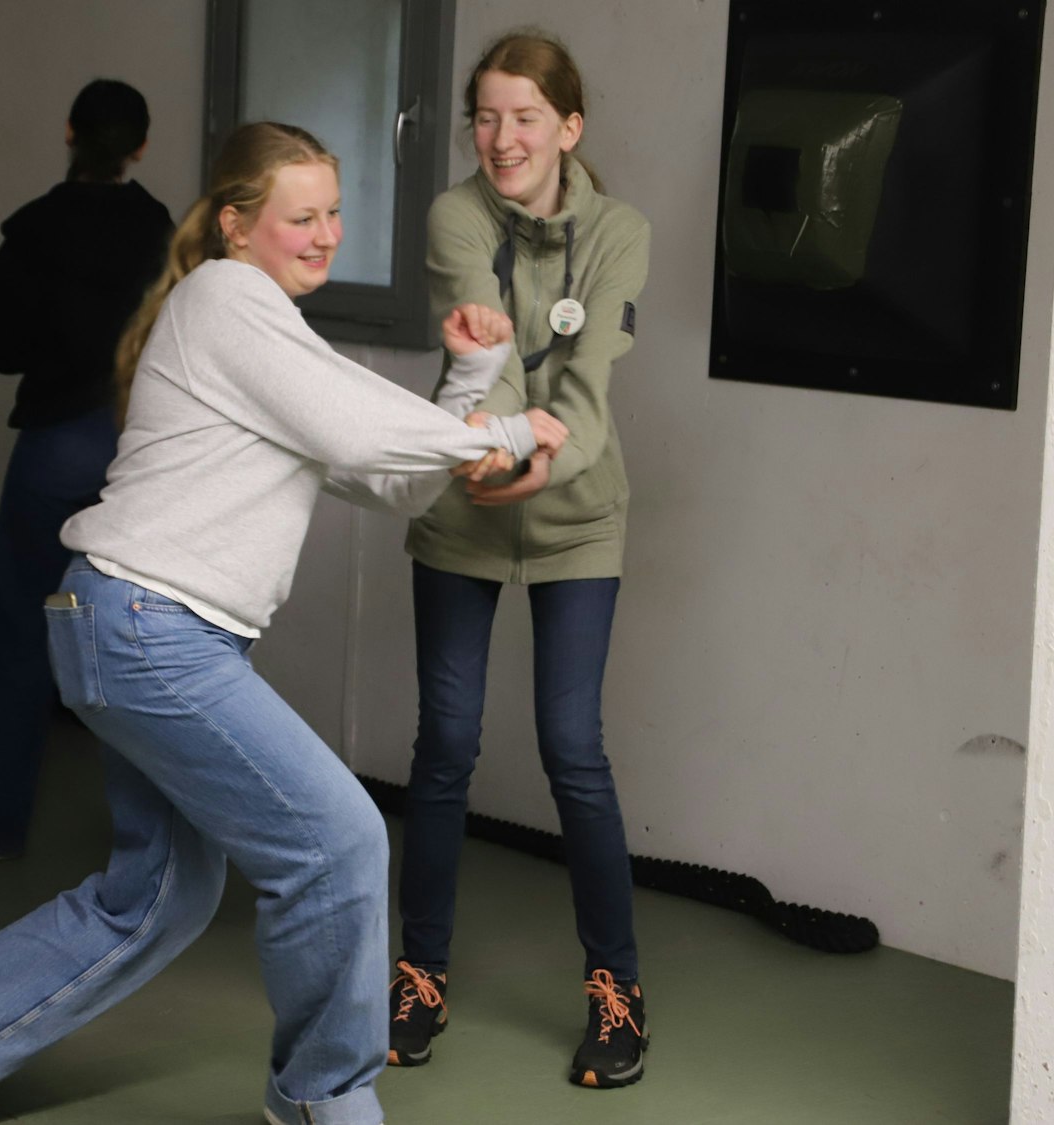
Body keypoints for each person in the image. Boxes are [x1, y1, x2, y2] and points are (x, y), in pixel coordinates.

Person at [0, 122, 565, 1125]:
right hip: (148, 627)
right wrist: (511, 428)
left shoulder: (260, 329)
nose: (326, 234)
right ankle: (320, 1100)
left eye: (333, 213)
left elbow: (388, 479)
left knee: (156, 894)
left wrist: (472, 380)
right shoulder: (229, 299)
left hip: (134, 625)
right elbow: (365, 432)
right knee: (339, 842)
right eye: (300, 217)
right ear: (235, 225)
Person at [386, 30, 655, 1091]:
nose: (502, 138)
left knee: (571, 748)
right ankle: (420, 975)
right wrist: (500, 450)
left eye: (525, 117)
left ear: (568, 128)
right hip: (468, 503)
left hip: (577, 516)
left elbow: (588, 384)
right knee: (445, 745)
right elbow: (485, 351)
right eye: (486, 117)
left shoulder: (619, 231)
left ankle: (617, 989)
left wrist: (543, 465)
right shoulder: (454, 215)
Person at [0, 79, 175, 860]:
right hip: (139, 447)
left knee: (18, 631)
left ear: (69, 132)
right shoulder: (159, 230)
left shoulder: (37, 227)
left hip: (57, 445)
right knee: (140, 639)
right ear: (140, 147)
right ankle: (153, 846)